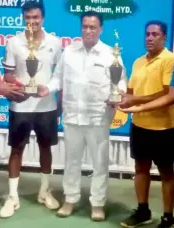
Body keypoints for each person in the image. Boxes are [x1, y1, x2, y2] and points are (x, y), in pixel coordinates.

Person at [37, 11, 127, 221]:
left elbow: (121, 81)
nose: (88, 30)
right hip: (73, 118)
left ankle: (97, 203)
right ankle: (70, 199)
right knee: (71, 162)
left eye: (92, 27)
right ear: (81, 28)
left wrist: (119, 94)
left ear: (100, 29)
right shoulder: (69, 52)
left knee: (100, 164)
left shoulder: (109, 54)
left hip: (98, 117)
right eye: (85, 26)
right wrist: (46, 89)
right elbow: (57, 79)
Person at [0, 0, 62, 218]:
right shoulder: (13, 42)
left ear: (42, 18)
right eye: (27, 18)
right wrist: (20, 87)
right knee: (16, 149)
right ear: (22, 18)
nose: (31, 22)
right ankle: (13, 196)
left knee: (46, 148)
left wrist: (58, 106)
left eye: (35, 17)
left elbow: (59, 76)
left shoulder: (55, 42)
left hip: (47, 106)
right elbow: (7, 75)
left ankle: (44, 191)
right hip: (20, 105)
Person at [109, 21, 174, 228]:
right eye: (147, 34)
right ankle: (143, 211)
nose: (150, 38)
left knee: (166, 173)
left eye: (155, 34)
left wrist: (135, 102)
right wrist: (118, 99)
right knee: (140, 169)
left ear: (164, 37)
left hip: (165, 127)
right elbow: (130, 93)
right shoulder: (137, 62)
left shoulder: (170, 60)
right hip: (140, 126)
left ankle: (167, 217)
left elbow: (167, 94)